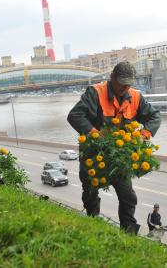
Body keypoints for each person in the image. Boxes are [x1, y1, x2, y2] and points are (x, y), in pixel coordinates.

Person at [67, 61, 161, 234]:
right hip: (94, 155)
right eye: (122, 83)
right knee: (90, 192)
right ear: (112, 78)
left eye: (129, 84)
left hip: (119, 157)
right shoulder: (95, 93)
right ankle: (93, 222)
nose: (125, 88)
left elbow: (155, 116)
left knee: (128, 197)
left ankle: (129, 233)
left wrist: (144, 134)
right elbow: (75, 115)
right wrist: (95, 133)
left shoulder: (136, 97)